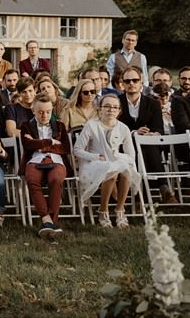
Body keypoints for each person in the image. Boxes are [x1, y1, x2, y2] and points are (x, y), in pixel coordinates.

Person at [73, 94, 140, 228]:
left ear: (119, 110)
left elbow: (131, 155)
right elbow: (77, 150)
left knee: (125, 169)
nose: (111, 110)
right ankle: (103, 210)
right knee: (112, 171)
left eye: (115, 107)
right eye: (107, 106)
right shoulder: (91, 125)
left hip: (114, 160)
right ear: (100, 109)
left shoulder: (123, 128)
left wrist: (117, 155)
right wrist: (96, 157)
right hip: (93, 163)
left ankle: (120, 209)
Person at [115, 67, 173, 203]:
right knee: (139, 146)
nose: (131, 83)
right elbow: (114, 127)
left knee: (147, 145)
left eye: (135, 80)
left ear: (141, 82)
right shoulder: (116, 102)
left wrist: (153, 134)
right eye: (127, 81)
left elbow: (158, 128)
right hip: (123, 144)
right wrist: (134, 133)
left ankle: (141, 193)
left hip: (149, 143)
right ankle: (162, 187)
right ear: (122, 83)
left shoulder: (153, 103)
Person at [21, 96, 70, 238]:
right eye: (41, 112)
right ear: (33, 111)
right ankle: (47, 219)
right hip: (34, 159)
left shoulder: (59, 126)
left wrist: (39, 144)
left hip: (56, 160)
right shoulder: (26, 126)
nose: (45, 115)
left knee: (56, 179)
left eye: (48, 112)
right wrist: (51, 142)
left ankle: (50, 223)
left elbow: (65, 148)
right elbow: (27, 145)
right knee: (32, 179)